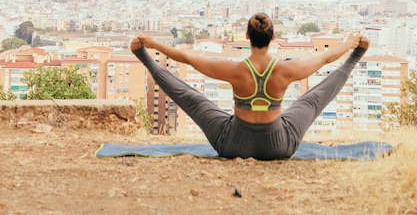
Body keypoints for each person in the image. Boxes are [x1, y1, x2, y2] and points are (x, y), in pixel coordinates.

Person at [131, 12, 368, 160]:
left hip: (232, 144)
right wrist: (350, 44)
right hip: (279, 146)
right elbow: (325, 58)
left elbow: (188, 58)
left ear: (247, 36)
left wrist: (152, 44)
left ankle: (143, 56)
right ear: (273, 38)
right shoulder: (286, 70)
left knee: (192, 98)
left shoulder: (235, 70)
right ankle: (357, 57)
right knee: (313, 99)